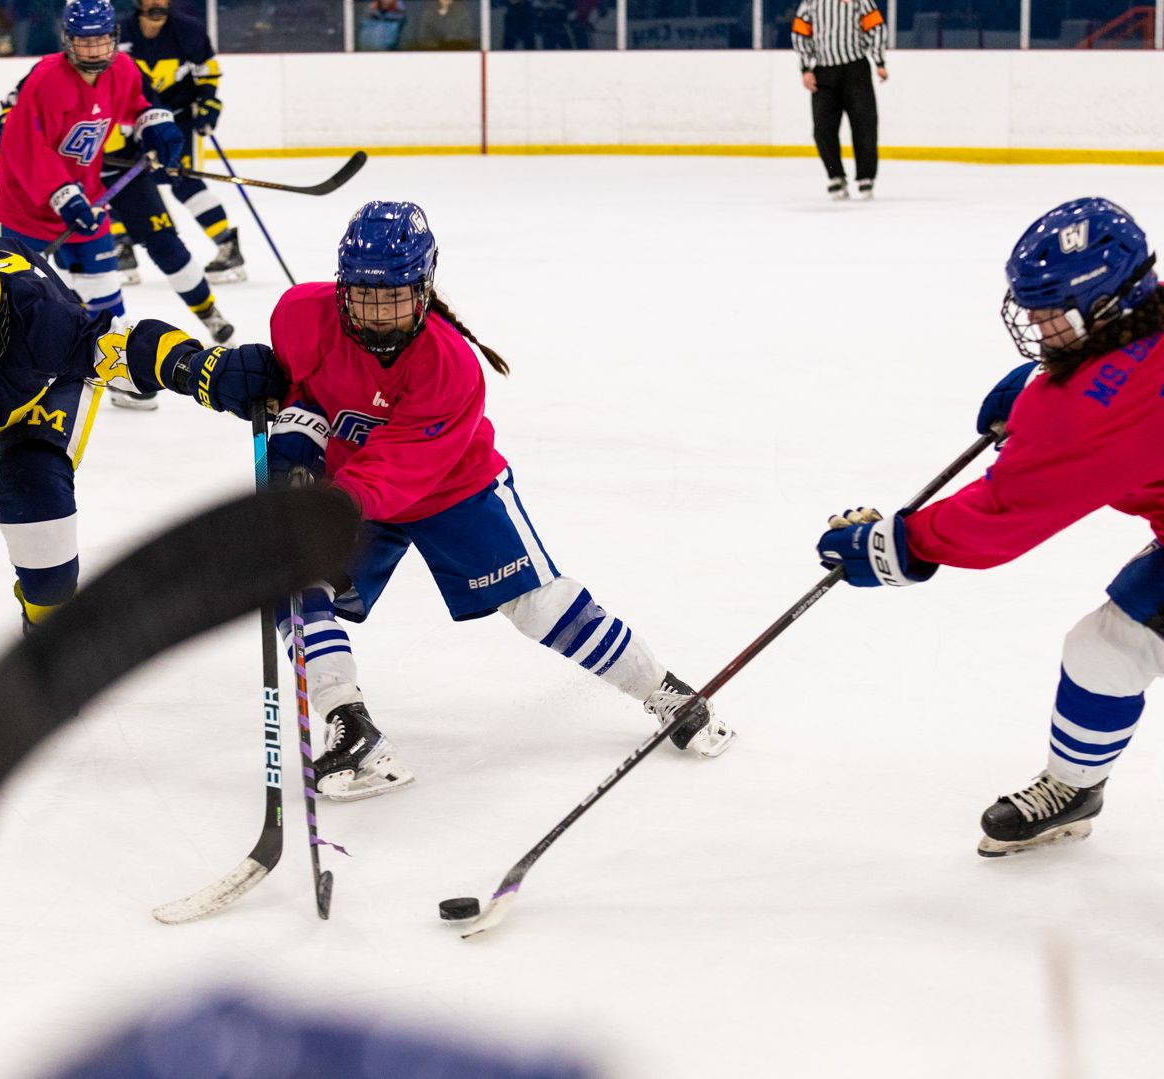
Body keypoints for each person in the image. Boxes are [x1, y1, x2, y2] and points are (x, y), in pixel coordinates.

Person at [116, 200, 737, 799]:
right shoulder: (301, 315)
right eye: (364, 297)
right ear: (342, 287)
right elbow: (304, 394)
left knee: (536, 604)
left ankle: (665, 690)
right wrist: (292, 450)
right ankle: (350, 727)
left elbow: (402, 466)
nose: (378, 316)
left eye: (394, 299)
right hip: (350, 484)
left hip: (452, 490)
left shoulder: (450, 366)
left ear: (424, 288)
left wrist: (319, 503)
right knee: (292, 582)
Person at [814, 197, 1164, 867]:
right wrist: (1039, 391)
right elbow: (1123, 393)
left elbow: (1002, 516)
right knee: (1102, 652)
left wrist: (896, 545)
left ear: (1109, 307)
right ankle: (1074, 792)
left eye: (1055, 314)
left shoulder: (1091, 413)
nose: (1039, 325)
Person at [0, 229, 220, 626]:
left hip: (44, 386)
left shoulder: (38, 309)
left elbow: (115, 345)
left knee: (39, 498)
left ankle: (49, 632)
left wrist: (197, 367)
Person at [0, 63, 238, 391]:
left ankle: (208, 313)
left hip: (126, 172)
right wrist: (13, 129)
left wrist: (161, 135)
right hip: (71, 177)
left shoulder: (122, 68)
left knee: (165, 245)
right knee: (60, 277)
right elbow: (11, 120)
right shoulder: (53, 75)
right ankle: (80, 352)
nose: (95, 48)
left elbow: (149, 106)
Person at [0, 0, 183, 334]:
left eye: (101, 40)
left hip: (86, 202)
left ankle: (117, 367)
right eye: (84, 41)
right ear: (68, 39)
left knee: (107, 299)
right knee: (17, 308)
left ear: (114, 36)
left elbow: (136, 102)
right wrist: (62, 194)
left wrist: (152, 123)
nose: (93, 50)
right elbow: (21, 146)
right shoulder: (47, 79)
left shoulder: (123, 68)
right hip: (24, 209)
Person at [117, 0, 247, 287]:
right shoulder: (119, 32)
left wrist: (209, 103)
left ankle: (227, 245)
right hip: (131, 122)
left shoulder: (188, 30)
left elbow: (207, 71)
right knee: (119, 180)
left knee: (184, 182)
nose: (157, 3)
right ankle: (120, 246)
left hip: (178, 121)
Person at [791, 0, 888, 200]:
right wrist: (806, 68)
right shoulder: (811, 2)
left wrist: (879, 61)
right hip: (824, 72)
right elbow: (800, 31)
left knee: (864, 125)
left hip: (855, 69)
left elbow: (875, 26)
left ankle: (865, 176)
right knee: (822, 128)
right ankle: (835, 174)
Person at [409, 0, 479, 50]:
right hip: (432, 54)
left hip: (457, 53)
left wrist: (449, 41)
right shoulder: (429, 13)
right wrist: (437, 44)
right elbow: (423, 38)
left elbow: (467, 37)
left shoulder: (463, 13)